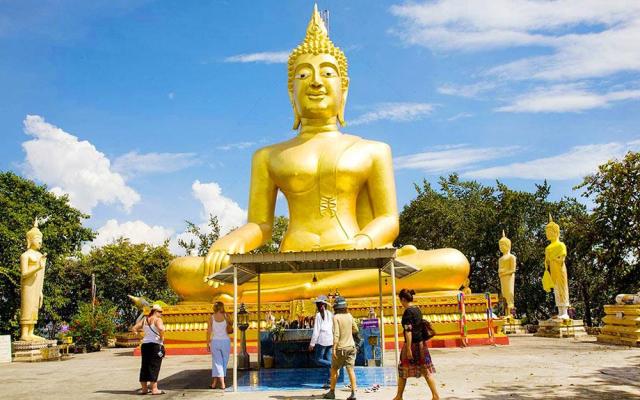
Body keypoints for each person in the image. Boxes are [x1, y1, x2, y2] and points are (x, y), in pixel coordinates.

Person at [393, 289, 439, 400]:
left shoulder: (408, 312)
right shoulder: (417, 309)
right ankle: (435, 395)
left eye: (400, 300)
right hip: (421, 344)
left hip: (412, 344)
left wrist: (408, 349)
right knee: (426, 370)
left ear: (403, 299)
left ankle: (399, 396)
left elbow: (408, 331)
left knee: (403, 370)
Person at [324, 297, 357, 400]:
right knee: (350, 370)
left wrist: (334, 348)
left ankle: (332, 392)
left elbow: (336, 334)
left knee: (334, 369)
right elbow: (356, 329)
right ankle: (353, 393)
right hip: (351, 346)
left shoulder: (336, 317)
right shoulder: (349, 315)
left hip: (340, 348)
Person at [131, 304, 166, 395]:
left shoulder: (144, 320)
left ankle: (144, 389)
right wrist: (162, 338)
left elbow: (134, 328)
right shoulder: (158, 320)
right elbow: (161, 328)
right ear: (155, 311)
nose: (161, 314)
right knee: (154, 366)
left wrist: (140, 336)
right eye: (160, 312)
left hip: (145, 345)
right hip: (155, 345)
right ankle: (154, 389)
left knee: (145, 366)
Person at [207, 301, 232, 390]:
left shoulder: (211, 318)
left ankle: (214, 383)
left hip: (215, 341)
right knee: (223, 362)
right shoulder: (226, 316)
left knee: (217, 362)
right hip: (225, 341)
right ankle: (222, 383)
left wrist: (207, 343)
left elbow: (209, 331)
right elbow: (231, 324)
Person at [309, 295, 333, 388]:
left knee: (318, 360)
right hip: (330, 340)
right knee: (327, 360)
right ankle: (330, 381)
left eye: (318, 305)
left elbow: (316, 330)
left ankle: (333, 365)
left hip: (322, 340)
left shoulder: (319, 315)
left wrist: (312, 344)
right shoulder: (330, 313)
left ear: (322, 305)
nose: (318, 307)